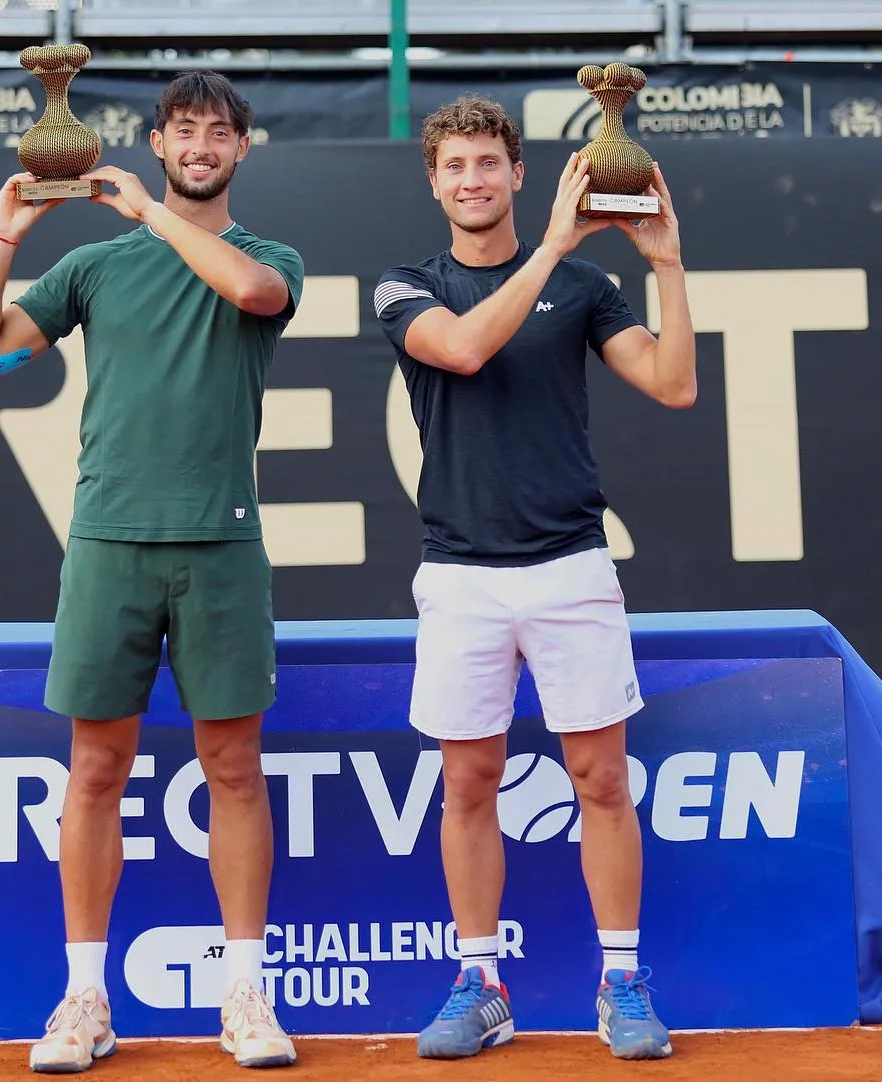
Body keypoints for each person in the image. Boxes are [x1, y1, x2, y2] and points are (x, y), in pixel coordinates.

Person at [0, 70, 304, 1073]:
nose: (199, 146)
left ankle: (245, 995)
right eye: (182, 131)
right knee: (95, 769)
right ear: (157, 140)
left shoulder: (269, 256)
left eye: (216, 133)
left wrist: (150, 214)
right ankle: (86, 997)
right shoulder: (93, 268)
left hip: (222, 547)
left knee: (233, 768)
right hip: (106, 544)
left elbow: (251, 293)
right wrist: (3, 234)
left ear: (243, 149)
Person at [373, 97, 696, 1062]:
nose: (472, 179)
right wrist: (551, 249)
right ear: (434, 184)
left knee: (601, 778)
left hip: (572, 567)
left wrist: (667, 264)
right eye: (454, 166)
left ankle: (621, 980)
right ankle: (480, 981)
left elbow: (674, 383)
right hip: (461, 576)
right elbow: (466, 349)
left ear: (518, 172)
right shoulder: (402, 287)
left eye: (487, 162)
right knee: (467, 783)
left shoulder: (589, 286)